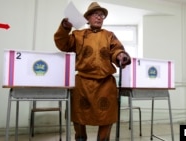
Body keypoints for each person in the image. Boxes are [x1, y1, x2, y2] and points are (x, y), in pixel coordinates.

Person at [54, 2, 131, 141]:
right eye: (96, 14)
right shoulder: (78, 35)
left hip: (105, 83)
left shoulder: (109, 35)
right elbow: (62, 43)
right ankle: (80, 137)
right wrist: (65, 27)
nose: (99, 17)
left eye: (102, 15)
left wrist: (121, 55)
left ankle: (103, 139)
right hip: (82, 82)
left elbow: (117, 49)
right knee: (78, 114)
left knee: (107, 116)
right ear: (88, 18)